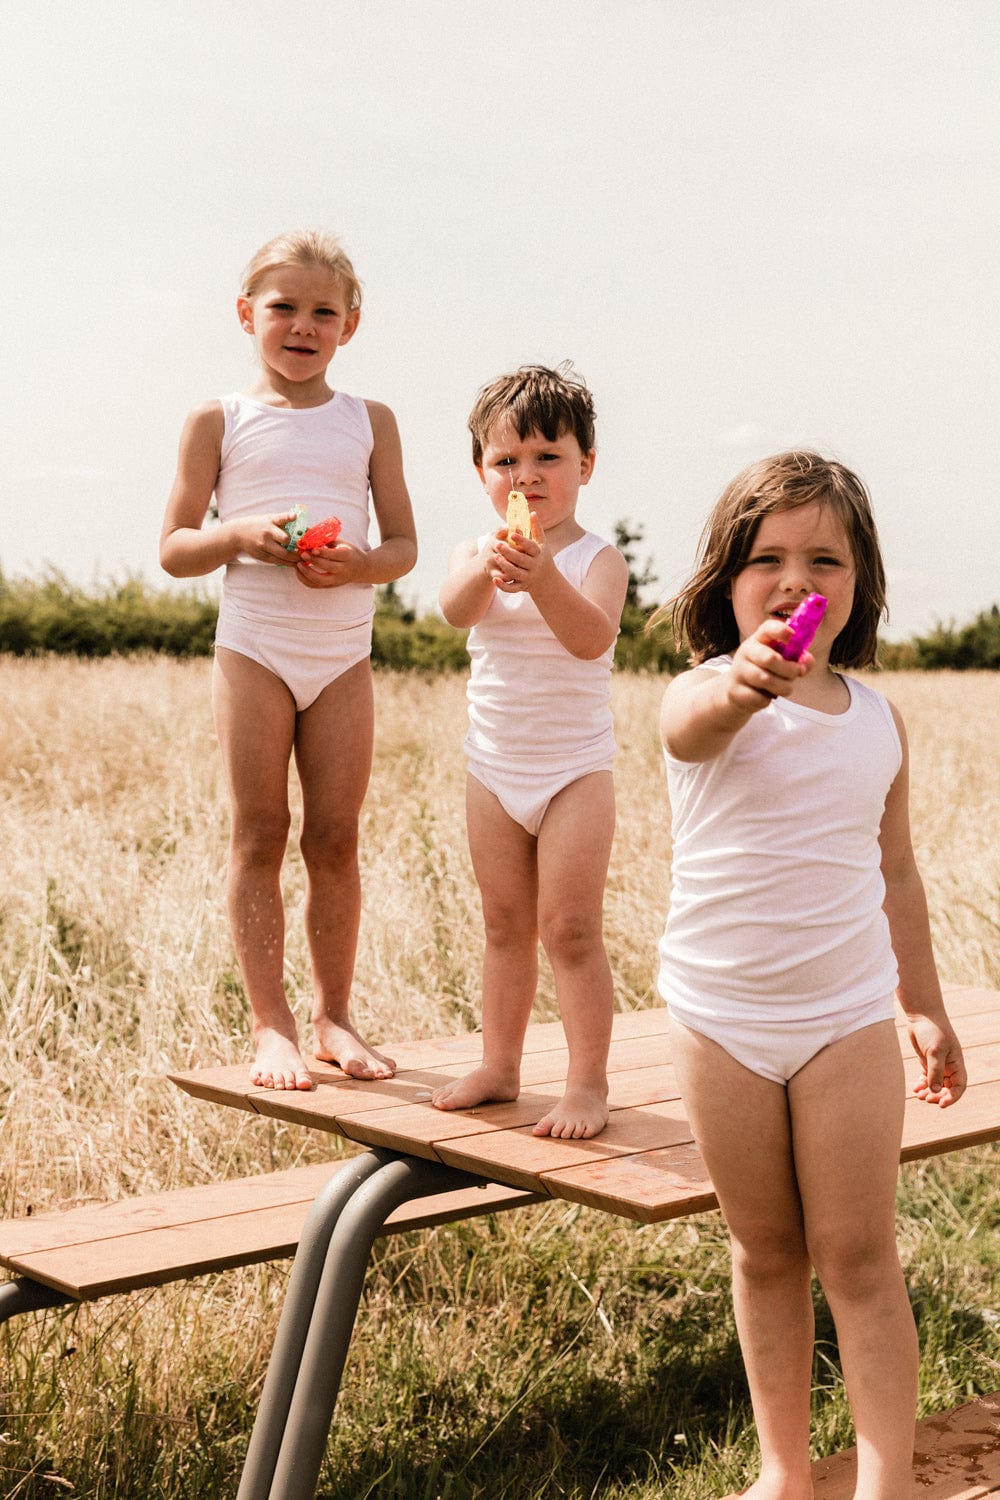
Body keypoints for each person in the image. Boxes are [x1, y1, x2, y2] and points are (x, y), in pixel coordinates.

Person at [652, 451, 966, 1499]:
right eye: (766, 559)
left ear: (857, 586)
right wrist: (744, 682)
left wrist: (919, 1005)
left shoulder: (878, 719)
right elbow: (689, 731)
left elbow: (897, 867)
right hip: (721, 1023)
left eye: (822, 559)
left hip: (842, 1021)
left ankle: (883, 1483)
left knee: (859, 1256)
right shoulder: (703, 695)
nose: (794, 581)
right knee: (765, 1251)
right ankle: (781, 1472)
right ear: (724, 582)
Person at [160, 229, 417, 1092]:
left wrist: (360, 564)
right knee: (260, 831)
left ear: (350, 324)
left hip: (343, 653)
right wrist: (238, 534)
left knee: (336, 837)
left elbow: (404, 546)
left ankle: (333, 1016)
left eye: (323, 311)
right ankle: (270, 1026)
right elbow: (175, 547)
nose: (302, 325)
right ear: (246, 315)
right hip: (256, 650)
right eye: (283, 308)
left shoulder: (369, 420)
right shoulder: (218, 419)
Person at [432, 365, 628, 1139]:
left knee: (571, 927)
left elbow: (590, 641)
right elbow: (454, 613)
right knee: (503, 924)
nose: (527, 475)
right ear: (482, 472)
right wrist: (488, 567)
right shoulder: (474, 549)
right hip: (493, 768)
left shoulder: (596, 559)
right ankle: (500, 1065)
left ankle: (587, 1084)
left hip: (575, 771)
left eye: (548, 457)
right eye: (505, 460)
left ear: (586, 464)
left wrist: (543, 576)